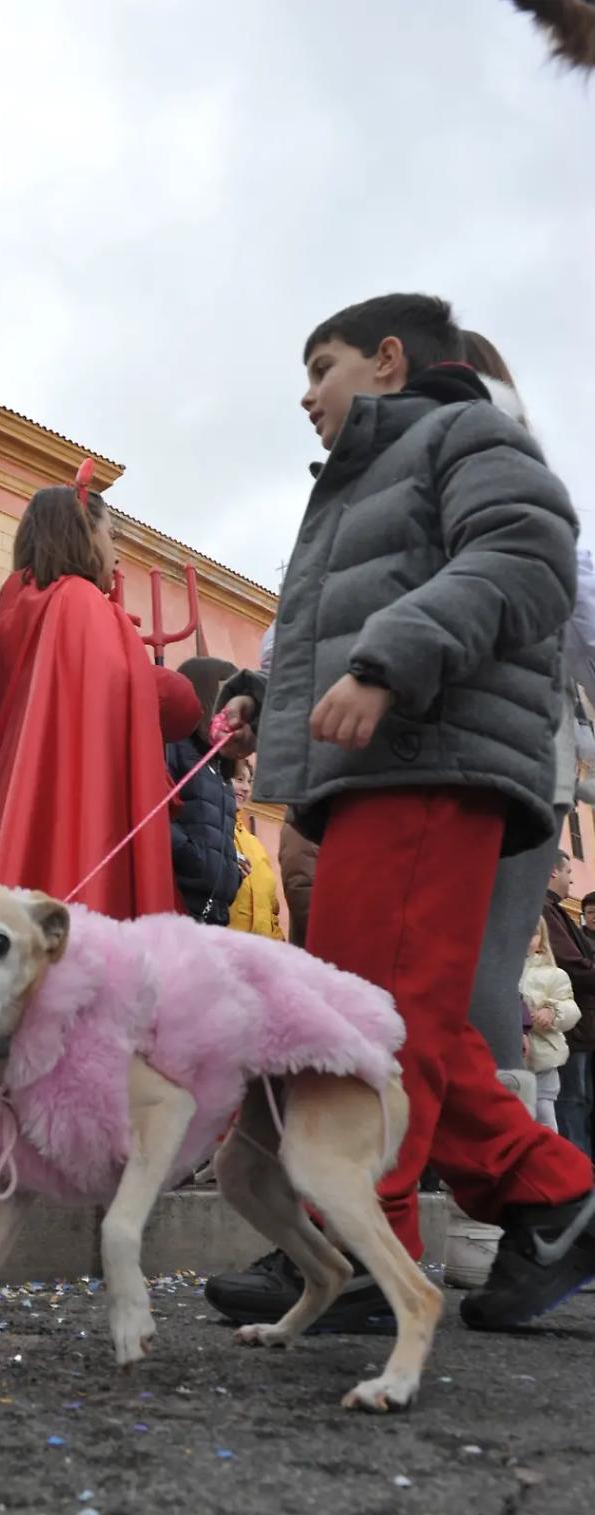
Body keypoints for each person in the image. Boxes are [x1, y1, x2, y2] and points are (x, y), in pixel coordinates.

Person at [206, 291, 594, 1333]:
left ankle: (358, 1247)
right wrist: (266, 699)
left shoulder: (464, 432)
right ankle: (551, 1193)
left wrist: (387, 663)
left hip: (430, 760)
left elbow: (527, 555)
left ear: (386, 360)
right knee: (397, 1013)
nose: (306, 395)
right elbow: (353, 616)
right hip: (382, 771)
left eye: (320, 367)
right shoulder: (367, 476)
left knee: (374, 1020)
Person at [0, 483, 202, 915]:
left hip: (32, 803)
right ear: (83, 535)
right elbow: (124, 694)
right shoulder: (79, 602)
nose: (115, 555)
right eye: (110, 535)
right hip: (92, 803)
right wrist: (172, 688)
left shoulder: (20, 607)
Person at [166, 659, 242, 926]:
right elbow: (155, 809)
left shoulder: (219, 764)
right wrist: (192, 858)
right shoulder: (173, 745)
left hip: (216, 907)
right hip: (180, 899)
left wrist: (231, 872)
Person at [543, 850, 595, 1151]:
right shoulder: (545, 909)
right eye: (568, 872)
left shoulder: (555, 909)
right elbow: (570, 964)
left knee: (580, 1099)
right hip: (567, 1026)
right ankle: (576, 1162)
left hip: (580, 1024)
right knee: (571, 1100)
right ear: (553, 871)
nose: (571, 880)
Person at [521, 918, 580, 1133]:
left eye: (533, 933)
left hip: (541, 1057)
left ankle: (547, 1152)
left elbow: (571, 1008)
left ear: (542, 941)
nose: (525, 937)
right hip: (506, 1056)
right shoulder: (497, 969)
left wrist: (552, 1011)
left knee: (544, 1116)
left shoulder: (553, 974)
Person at [227, 759, 283, 939]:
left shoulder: (256, 845)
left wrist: (278, 944)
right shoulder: (215, 833)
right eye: (239, 779)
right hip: (227, 945)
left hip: (263, 948)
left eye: (249, 782)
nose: (246, 788)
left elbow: (272, 910)